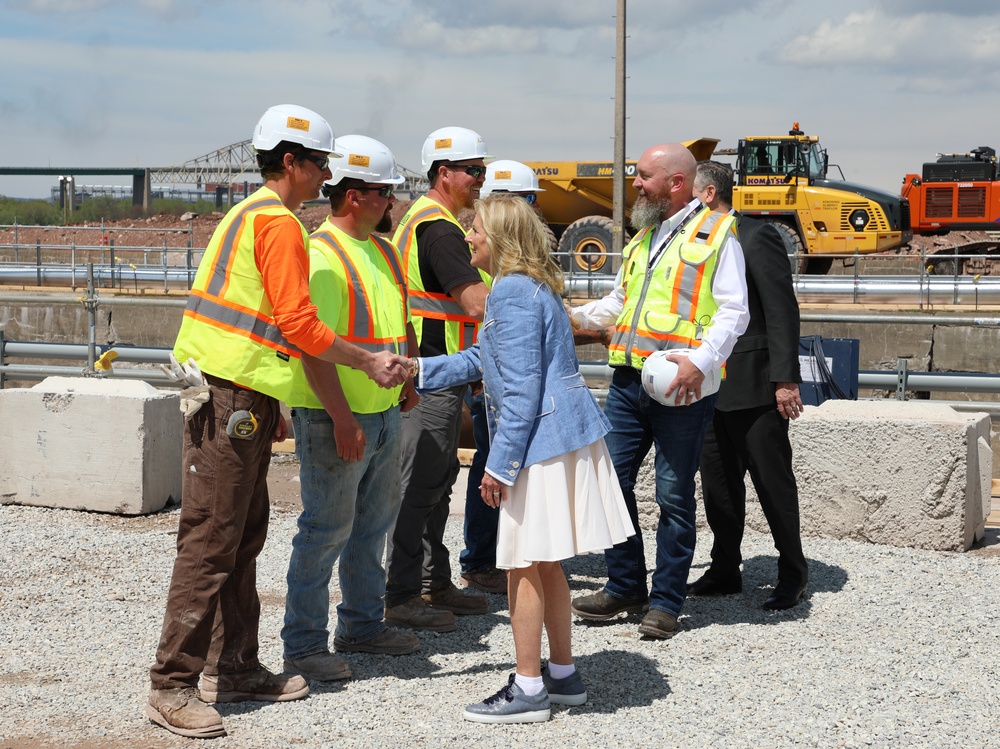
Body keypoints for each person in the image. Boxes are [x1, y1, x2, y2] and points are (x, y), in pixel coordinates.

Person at [147, 105, 409, 740]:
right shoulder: (280, 224)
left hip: (242, 396)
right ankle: (171, 685)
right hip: (230, 396)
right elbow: (300, 326)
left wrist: (272, 403)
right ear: (290, 161)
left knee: (241, 533)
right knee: (213, 538)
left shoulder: (251, 215)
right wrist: (368, 360)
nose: (327, 174)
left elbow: (262, 325)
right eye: (320, 163)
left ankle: (235, 665)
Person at [410, 193, 634, 723]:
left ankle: (529, 687)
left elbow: (520, 391)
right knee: (546, 559)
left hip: (540, 440)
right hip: (563, 434)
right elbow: (486, 359)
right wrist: (416, 371)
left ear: (502, 237)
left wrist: (499, 465)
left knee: (521, 562)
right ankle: (561, 674)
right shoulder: (534, 286)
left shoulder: (509, 292)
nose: (468, 238)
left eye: (477, 231)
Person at [569, 143, 749, 640]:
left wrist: (700, 362)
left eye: (643, 176)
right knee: (611, 482)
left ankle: (666, 600)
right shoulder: (645, 235)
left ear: (675, 183)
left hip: (681, 388)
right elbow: (621, 300)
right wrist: (573, 317)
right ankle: (625, 583)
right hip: (630, 381)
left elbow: (735, 312)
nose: (635, 185)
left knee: (673, 495)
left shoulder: (717, 234)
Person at [279, 135, 423, 685]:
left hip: (384, 411)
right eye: (386, 193)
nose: (393, 202)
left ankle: (363, 624)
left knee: (371, 528)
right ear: (357, 195)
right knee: (325, 531)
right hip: (335, 417)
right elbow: (312, 346)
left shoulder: (382, 250)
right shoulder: (322, 255)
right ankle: (304, 645)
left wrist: (407, 379)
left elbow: (396, 323)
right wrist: (341, 418)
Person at [383, 127, 493, 632]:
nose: (480, 180)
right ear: (443, 173)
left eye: (483, 170)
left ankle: (432, 580)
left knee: (436, 484)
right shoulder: (440, 230)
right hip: (431, 374)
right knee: (421, 488)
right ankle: (402, 593)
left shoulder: (424, 222)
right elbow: (475, 302)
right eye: (473, 171)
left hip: (436, 372)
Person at [688, 160, 809, 610]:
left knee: (772, 483)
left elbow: (781, 309)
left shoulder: (755, 235)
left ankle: (793, 572)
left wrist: (785, 380)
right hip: (706, 387)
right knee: (717, 486)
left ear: (707, 195)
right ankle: (724, 570)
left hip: (756, 385)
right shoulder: (693, 241)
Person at [456, 159, 548, 596]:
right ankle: (485, 558)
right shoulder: (516, 281)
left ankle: (501, 559)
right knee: (490, 473)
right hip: (490, 385)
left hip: (500, 390)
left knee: (494, 473)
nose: (469, 236)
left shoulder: (513, 284)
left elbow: (521, 382)